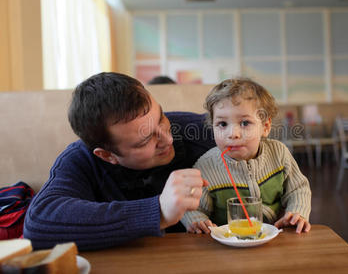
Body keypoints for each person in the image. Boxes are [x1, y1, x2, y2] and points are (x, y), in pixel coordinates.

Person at [23, 72, 215, 250]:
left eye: (161, 118)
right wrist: (158, 211)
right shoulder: (81, 160)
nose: (168, 139)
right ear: (107, 155)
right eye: (145, 140)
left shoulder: (203, 130)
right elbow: (39, 224)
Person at [181, 78, 312, 234]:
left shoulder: (279, 153)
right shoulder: (205, 167)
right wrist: (196, 220)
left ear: (266, 127)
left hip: (273, 239)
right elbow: (190, 207)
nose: (233, 134)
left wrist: (297, 213)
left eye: (244, 123)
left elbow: (298, 189)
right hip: (227, 245)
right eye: (222, 124)